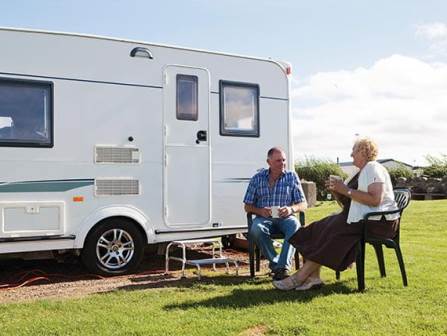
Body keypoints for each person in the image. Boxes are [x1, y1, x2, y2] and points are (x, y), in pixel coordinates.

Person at [273, 137, 399, 290]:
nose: (351, 154)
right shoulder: (359, 173)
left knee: (331, 232)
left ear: (363, 151)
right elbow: (348, 203)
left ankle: (299, 277)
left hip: (377, 223)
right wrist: (337, 192)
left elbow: (375, 200)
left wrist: (345, 189)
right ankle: (314, 278)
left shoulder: (373, 167)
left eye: (354, 151)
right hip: (360, 219)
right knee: (315, 229)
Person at [243, 147, 307, 280]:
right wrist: (260, 211)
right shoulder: (257, 178)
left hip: (286, 217)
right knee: (256, 228)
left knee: (295, 226)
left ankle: (282, 268)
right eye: (278, 160)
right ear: (269, 162)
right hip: (264, 218)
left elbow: (303, 204)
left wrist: (291, 209)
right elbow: (247, 206)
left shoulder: (291, 176)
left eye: (284, 160)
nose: (282, 163)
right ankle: (278, 265)